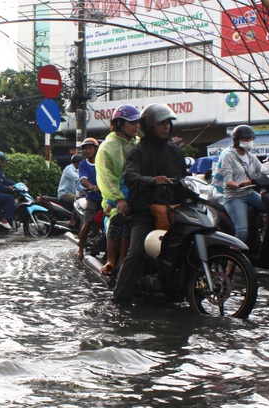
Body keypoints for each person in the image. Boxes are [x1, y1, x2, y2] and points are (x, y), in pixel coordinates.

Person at [113, 104, 187, 306]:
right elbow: (130, 176)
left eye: (168, 123)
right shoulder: (138, 151)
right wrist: (152, 181)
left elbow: (184, 176)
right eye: (161, 124)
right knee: (136, 251)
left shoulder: (175, 150)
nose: (166, 127)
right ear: (149, 126)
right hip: (145, 210)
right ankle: (119, 299)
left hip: (172, 208)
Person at [95, 105, 140, 275]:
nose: (136, 126)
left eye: (138, 122)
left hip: (136, 194)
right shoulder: (107, 146)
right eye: (132, 122)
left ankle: (124, 261)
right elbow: (105, 176)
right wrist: (118, 198)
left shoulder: (137, 143)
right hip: (114, 197)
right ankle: (111, 260)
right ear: (120, 124)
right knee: (118, 219)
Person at [212, 124, 266, 248]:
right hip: (234, 197)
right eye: (245, 139)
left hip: (250, 193)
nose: (248, 141)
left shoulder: (251, 156)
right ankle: (232, 258)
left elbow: (264, 170)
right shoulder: (228, 155)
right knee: (242, 232)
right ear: (236, 140)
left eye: (250, 139)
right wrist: (240, 184)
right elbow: (228, 181)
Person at [76, 137, 102, 260]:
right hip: (93, 197)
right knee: (87, 223)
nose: (88, 150)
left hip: (106, 197)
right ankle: (80, 249)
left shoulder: (103, 162)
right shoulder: (83, 164)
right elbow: (83, 179)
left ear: (96, 149)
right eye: (86, 148)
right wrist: (90, 186)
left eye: (90, 148)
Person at [57, 154, 83, 228]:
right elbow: (78, 178)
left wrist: (85, 190)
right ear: (78, 163)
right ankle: (72, 221)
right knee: (78, 200)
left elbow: (78, 185)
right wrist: (87, 181)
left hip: (70, 193)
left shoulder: (76, 171)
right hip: (64, 193)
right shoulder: (68, 169)